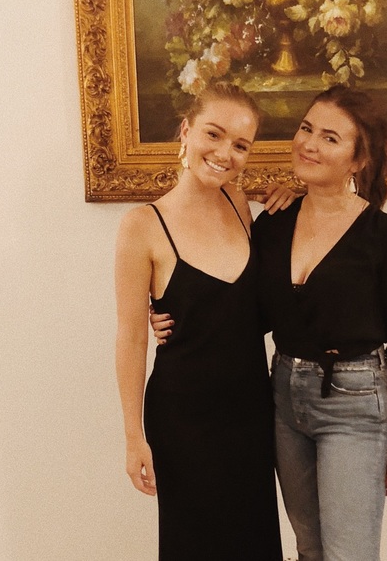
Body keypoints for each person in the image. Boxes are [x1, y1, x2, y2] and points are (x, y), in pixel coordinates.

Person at [152, 85, 387, 561]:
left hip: (356, 405)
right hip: (283, 398)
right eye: (306, 129)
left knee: (348, 554)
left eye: (330, 138)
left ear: (358, 160)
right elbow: (244, 309)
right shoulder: (274, 223)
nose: (309, 144)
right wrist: (173, 313)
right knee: (308, 549)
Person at [115, 82, 290, 560]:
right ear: (186, 131)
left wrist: (290, 196)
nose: (224, 153)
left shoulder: (240, 204)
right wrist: (134, 438)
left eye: (240, 145)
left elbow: (249, 306)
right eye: (213, 134)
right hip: (183, 419)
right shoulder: (142, 225)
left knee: (254, 543)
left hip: (251, 411)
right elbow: (130, 338)